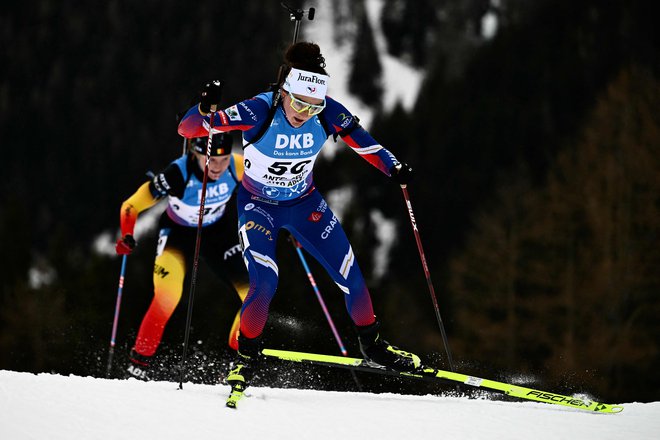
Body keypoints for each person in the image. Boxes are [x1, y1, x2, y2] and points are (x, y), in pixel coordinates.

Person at [177, 42, 420, 393]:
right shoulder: (260, 109)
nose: (304, 113)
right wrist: (204, 106)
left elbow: (364, 143)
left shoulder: (326, 112)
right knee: (265, 284)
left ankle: (374, 346)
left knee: (351, 277)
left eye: (313, 105)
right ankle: (245, 358)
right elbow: (189, 129)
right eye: (299, 103)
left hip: (306, 204)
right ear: (284, 92)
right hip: (258, 206)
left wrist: (393, 167)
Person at [115, 134, 248, 380]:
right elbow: (131, 205)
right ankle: (138, 363)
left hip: (217, 233)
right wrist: (127, 235)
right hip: (178, 235)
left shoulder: (237, 166)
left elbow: (273, 192)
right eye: (212, 160)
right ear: (195, 154)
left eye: (224, 159)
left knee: (253, 295)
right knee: (168, 296)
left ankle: (239, 362)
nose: (219, 167)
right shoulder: (177, 173)